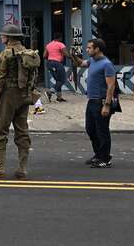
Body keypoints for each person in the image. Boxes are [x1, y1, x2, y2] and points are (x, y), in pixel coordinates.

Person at [0, 24, 34, 180]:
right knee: (22, 131)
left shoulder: (6, 54)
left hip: (8, 95)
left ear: (9, 37)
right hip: (25, 94)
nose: (1, 37)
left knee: (0, 131)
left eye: (3, 35)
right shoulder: (28, 52)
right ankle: (22, 169)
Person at [71, 38, 117, 168]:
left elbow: (111, 86)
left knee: (102, 131)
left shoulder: (106, 64)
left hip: (101, 101)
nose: (87, 49)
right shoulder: (92, 61)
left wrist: (107, 105)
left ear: (97, 49)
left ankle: (105, 158)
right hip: (91, 100)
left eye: (90, 48)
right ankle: (98, 154)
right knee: (91, 129)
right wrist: (73, 55)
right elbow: (81, 63)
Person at [44, 33, 68, 102]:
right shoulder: (60, 44)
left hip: (49, 63)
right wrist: (72, 57)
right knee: (62, 80)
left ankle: (59, 98)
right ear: (60, 38)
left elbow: (44, 56)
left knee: (58, 80)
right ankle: (50, 92)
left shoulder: (48, 45)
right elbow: (66, 54)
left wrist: (51, 58)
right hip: (57, 63)